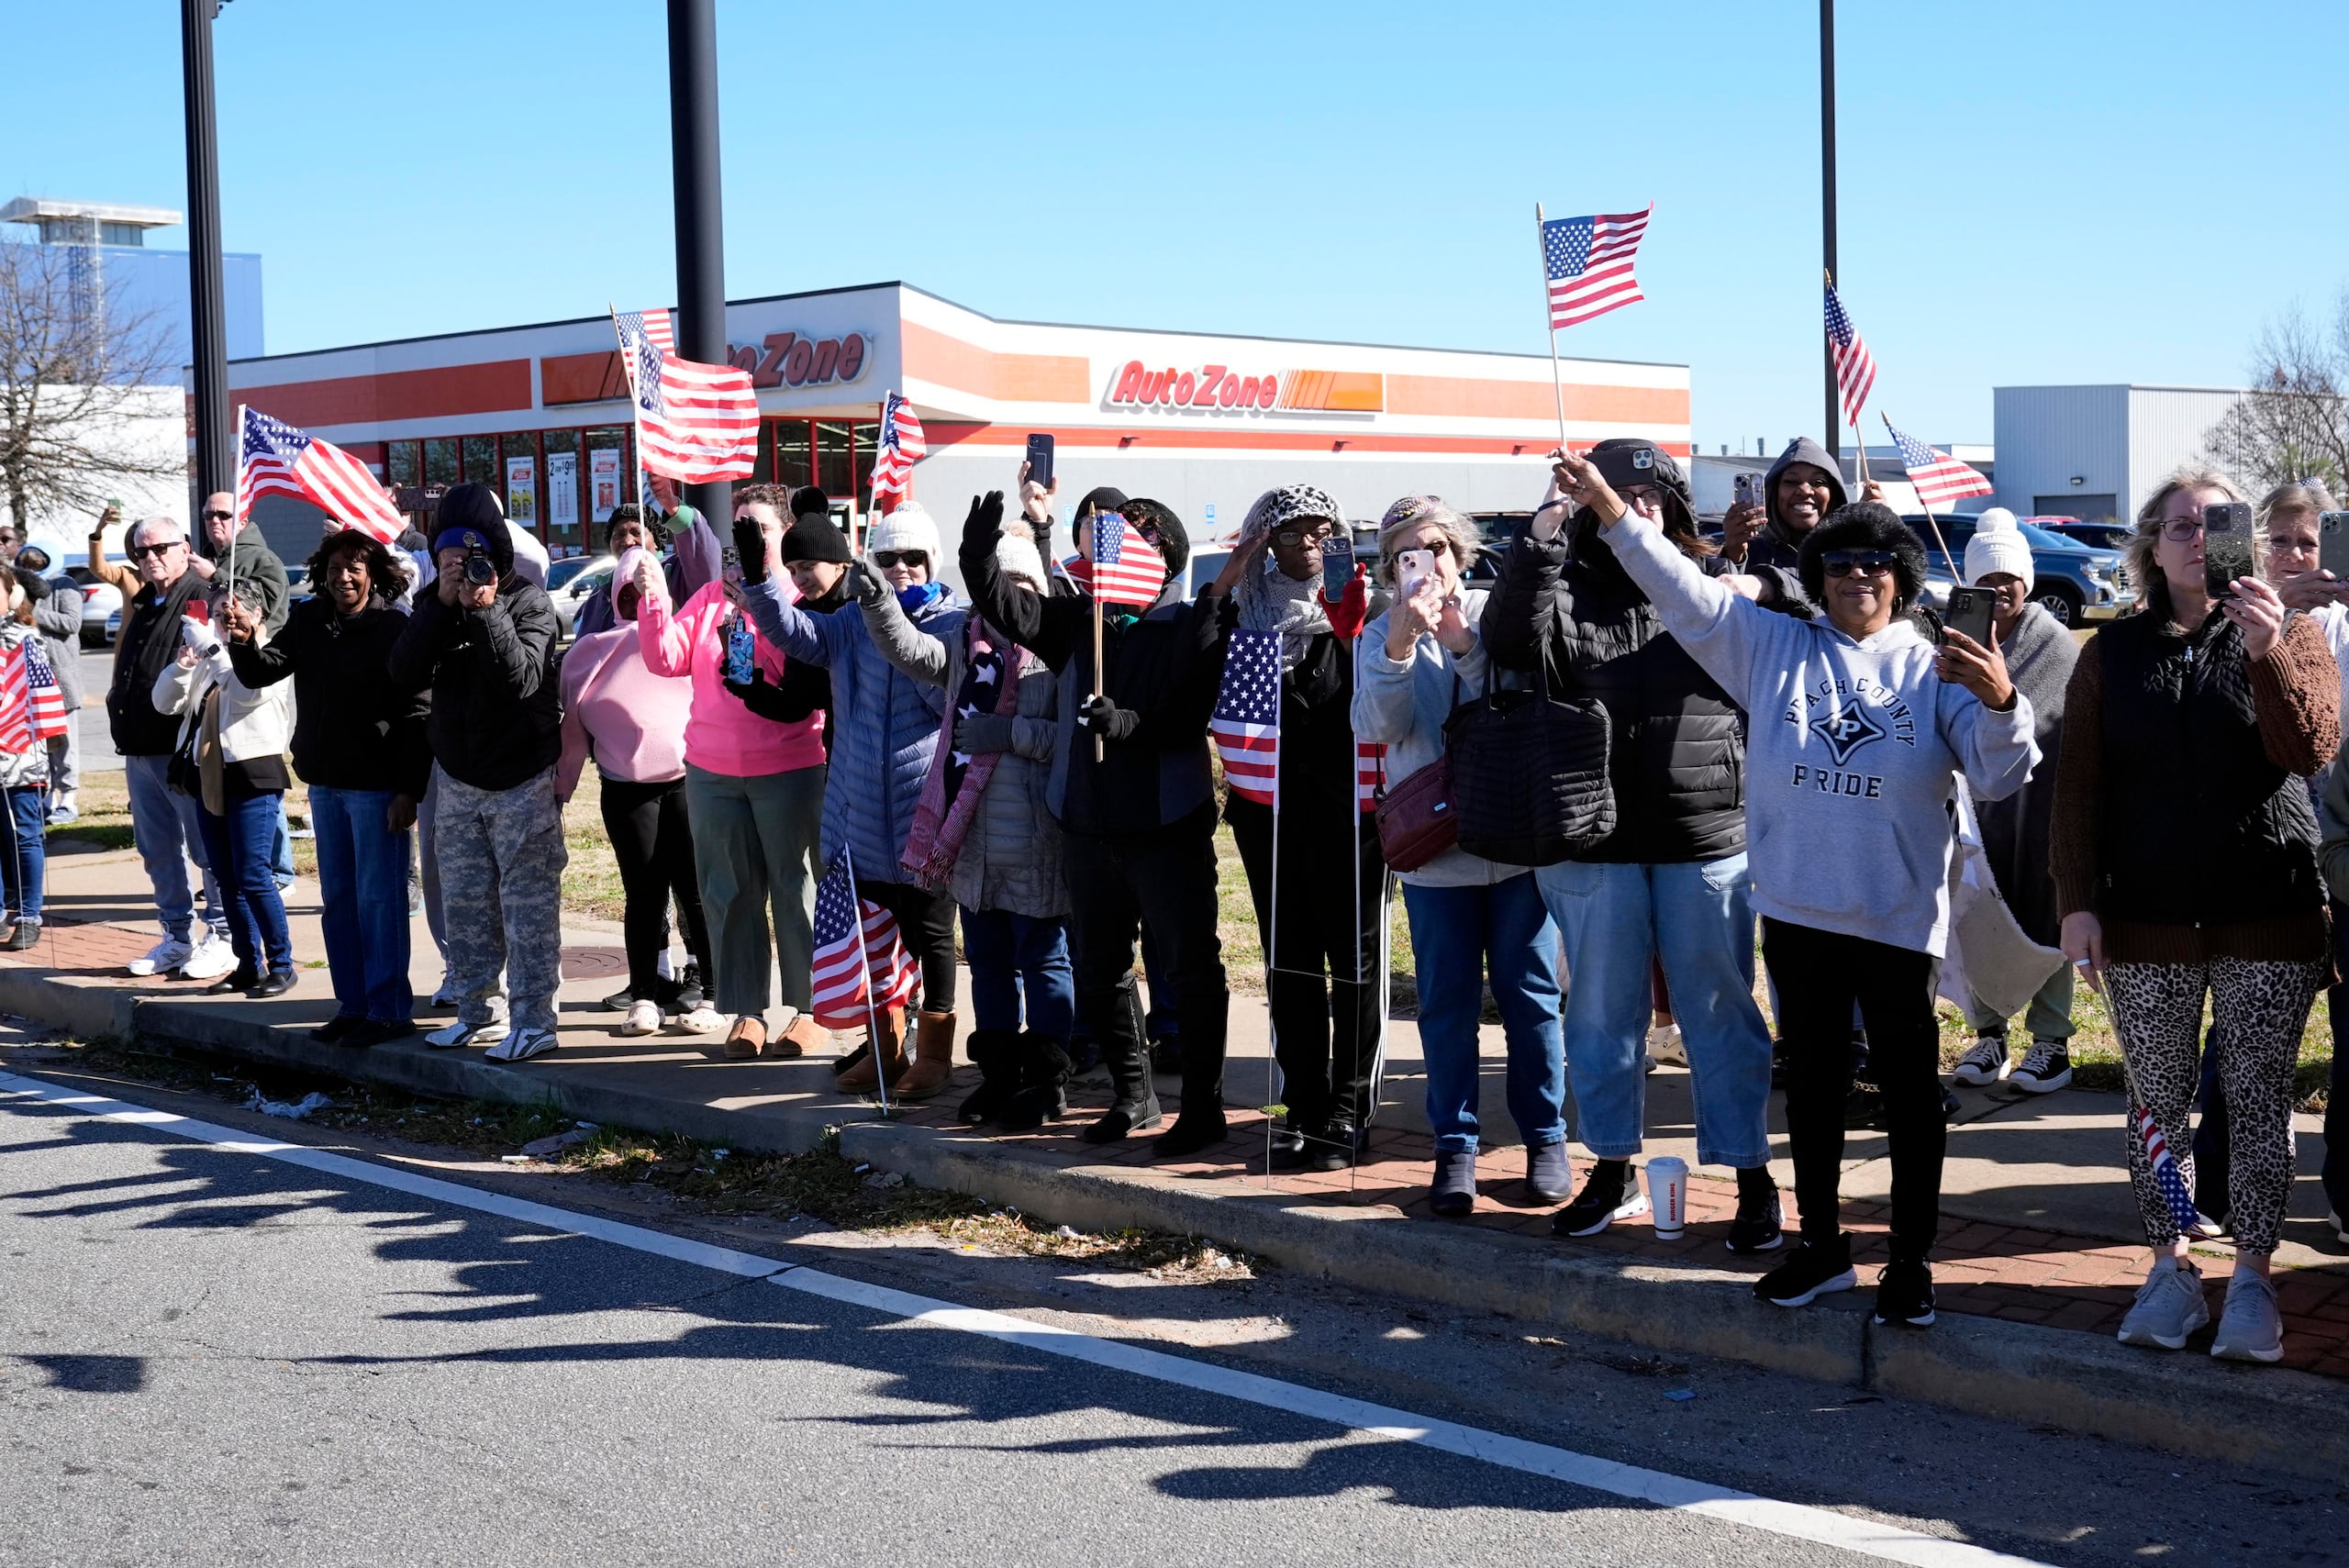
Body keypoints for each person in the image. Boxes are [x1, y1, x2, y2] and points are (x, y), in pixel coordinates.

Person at [1555, 452, 2038, 1329]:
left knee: (1907, 1094)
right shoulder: (1771, 646)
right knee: (1811, 1090)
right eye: (1842, 563)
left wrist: (2004, 700)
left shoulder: (1938, 667)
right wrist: (1612, 513)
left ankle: (1910, 1260)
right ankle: (1821, 1248)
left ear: (1902, 577)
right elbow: (1681, 591)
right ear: (1817, 576)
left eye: (1877, 563)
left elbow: (2001, 776)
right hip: (1798, 915)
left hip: (1897, 924)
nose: (1859, 576)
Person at [2055, 464, 2338, 1365]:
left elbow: (2310, 747)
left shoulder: (2294, 634)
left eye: (2213, 523)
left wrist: (2266, 654)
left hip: (2268, 912)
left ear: (2242, 541)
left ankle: (2251, 1275)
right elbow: (2078, 791)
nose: (2193, 538)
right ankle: (2170, 1264)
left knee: (2256, 1098)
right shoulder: (2110, 652)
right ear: (2148, 545)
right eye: (2177, 525)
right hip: (2143, 920)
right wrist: (2075, 905)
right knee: (2158, 1103)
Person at [1482, 441, 1783, 1246]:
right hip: (1592, 842)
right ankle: (1611, 1168)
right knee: (1601, 1019)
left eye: (1655, 493)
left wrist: (1764, 577)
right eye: (1621, 492)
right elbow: (1508, 640)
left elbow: (1794, 602)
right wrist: (1544, 535)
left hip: (1706, 834)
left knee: (1721, 1013)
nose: (1639, 504)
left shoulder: (1713, 581)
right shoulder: (1565, 583)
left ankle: (1750, 1174)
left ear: (1678, 507)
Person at [961, 484, 1241, 1157]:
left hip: (1165, 827)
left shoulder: (1187, 622)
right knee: (1100, 970)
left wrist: (1127, 723)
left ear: (1162, 554)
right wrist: (979, 555)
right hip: (1088, 829)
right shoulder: (1081, 619)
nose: (1110, 542)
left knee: (1188, 969)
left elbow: (1185, 713)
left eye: (1133, 533)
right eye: (1107, 533)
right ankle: (1134, 1094)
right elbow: (1010, 609)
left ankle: (1202, 1108)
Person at [1355, 495, 1566, 1214]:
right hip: (1435, 851)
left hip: (1510, 841)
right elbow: (1383, 726)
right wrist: (1399, 644)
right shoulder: (1382, 630)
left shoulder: (1488, 610)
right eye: (1411, 553)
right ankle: (1456, 1148)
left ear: (1463, 552)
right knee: (1446, 1005)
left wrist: (1463, 646)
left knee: (1531, 996)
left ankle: (1547, 1138)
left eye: (1440, 547)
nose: (1430, 564)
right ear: (1391, 568)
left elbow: (1508, 705)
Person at [736, 497, 963, 1097]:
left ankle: (936, 1058)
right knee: (874, 944)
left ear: (932, 561)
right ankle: (886, 1050)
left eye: (915, 557)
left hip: (921, 816)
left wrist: (891, 618)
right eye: (890, 557)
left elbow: (945, 700)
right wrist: (760, 580)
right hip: (862, 816)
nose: (903, 567)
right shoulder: (851, 621)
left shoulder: (948, 621)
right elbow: (795, 630)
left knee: (931, 938)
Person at [856, 509, 1074, 1129]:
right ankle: (999, 1076)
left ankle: (1049, 1079)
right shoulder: (966, 642)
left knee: (1046, 961)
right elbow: (907, 649)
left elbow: (1075, 738)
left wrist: (1010, 732)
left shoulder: (1056, 651)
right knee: (991, 963)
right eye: (997, 583)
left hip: (1036, 839)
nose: (1008, 597)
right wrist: (878, 602)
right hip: (971, 841)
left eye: (1021, 585)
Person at [1219, 484, 1385, 1172]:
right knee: (1289, 962)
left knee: (1352, 961)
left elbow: (1385, 693)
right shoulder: (1242, 613)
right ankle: (1304, 1102)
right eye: (1292, 533)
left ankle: (1349, 1105)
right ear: (1264, 542)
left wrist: (1352, 631)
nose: (1311, 545)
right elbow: (1197, 656)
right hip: (1270, 811)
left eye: (1323, 530)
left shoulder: (1362, 611)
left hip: (1351, 815)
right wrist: (1231, 574)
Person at [631, 484, 828, 1062]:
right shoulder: (712, 596)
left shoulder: (797, 596)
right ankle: (747, 1011)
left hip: (790, 768)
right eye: (739, 524)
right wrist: (654, 601)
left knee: (797, 892)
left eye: (759, 527)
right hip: (713, 773)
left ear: (784, 536)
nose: (746, 535)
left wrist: (759, 612)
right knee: (730, 893)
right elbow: (665, 657)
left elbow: (803, 681)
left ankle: (810, 1009)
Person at [225, 528, 429, 1045]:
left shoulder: (393, 628)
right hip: (325, 785)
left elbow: (415, 713)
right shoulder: (310, 620)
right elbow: (260, 674)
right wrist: (245, 639)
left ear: (373, 574)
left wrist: (409, 789)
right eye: (336, 568)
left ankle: (388, 1011)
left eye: (355, 568)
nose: (344, 577)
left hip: (377, 788)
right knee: (338, 900)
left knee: (379, 900)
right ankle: (353, 1006)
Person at [387, 483, 567, 1062]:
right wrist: (439, 606)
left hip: (520, 779)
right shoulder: (432, 609)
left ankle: (535, 1021)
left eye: (469, 561)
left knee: (527, 907)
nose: (460, 572)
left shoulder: (528, 602)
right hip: (459, 778)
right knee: (465, 902)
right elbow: (403, 673)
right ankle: (475, 1011)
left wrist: (487, 610)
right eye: (448, 562)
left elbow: (521, 681)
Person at [558, 547, 721, 1038]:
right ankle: (645, 994)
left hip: (689, 781)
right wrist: (559, 794)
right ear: (613, 597)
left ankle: (713, 994)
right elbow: (571, 736)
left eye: (646, 591)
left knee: (696, 892)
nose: (636, 601)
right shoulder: (587, 652)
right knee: (643, 895)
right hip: (626, 790)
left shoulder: (684, 641)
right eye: (627, 592)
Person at [1946, 509, 2081, 1094]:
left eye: (2009, 578)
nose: (1998, 589)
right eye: (1986, 580)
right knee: (1978, 912)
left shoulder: (2053, 642)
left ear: (2026, 581)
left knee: (2044, 916)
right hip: (1976, 810)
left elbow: (2060, 720)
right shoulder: (1953, 637)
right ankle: (1989, 1034)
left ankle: (2051, 1042)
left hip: (2044, 805)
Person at [95, 514, 236, 982]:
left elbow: (216, 669)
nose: (150, 558)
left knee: (205, 847)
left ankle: (223, 934)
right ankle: (177, 935)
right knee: (157, 849)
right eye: (141, 551)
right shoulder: (145, 599)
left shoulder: (199, 597)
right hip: (138, 747)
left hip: (183, 748)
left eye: (159, 548)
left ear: (185, 547)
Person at [153, 586, 298, 997]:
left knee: (253, 874)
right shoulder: (209, 655)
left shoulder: (267, 654)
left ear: (255, 617)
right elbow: (165, 704)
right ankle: (247, 965)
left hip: (253, 774)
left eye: (233, 613)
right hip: (208, 775)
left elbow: (248, 692)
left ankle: (282, 965)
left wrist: (219, 650)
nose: (224, 620)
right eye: (219, 613)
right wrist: (183, 665)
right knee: (225, 878)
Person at [0, 564, 60, 948]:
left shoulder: (25, 638)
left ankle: (27, 915)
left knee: (24, 836)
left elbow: (43, 698)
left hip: (19, 752)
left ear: (12, 595)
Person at [1716, 437, 1847, 606]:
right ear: (1773, 493)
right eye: (1791, 482)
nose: (1805, 491)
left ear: (1834, 494)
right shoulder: (1753, 551)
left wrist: (1875, 534)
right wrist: (1733, 554)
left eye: (1818, 482)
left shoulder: (1850, 556)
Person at [6, 546, 84, 825]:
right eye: (29, 567)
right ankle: (48, 797)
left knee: (66, 742)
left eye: (38, 566)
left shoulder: (65, 584)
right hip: (32, 677)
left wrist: (35, 611)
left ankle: (68, 798)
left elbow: (72, 622)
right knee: (41, 742)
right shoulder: (19, 586)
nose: (34, 572)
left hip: (62, 675)